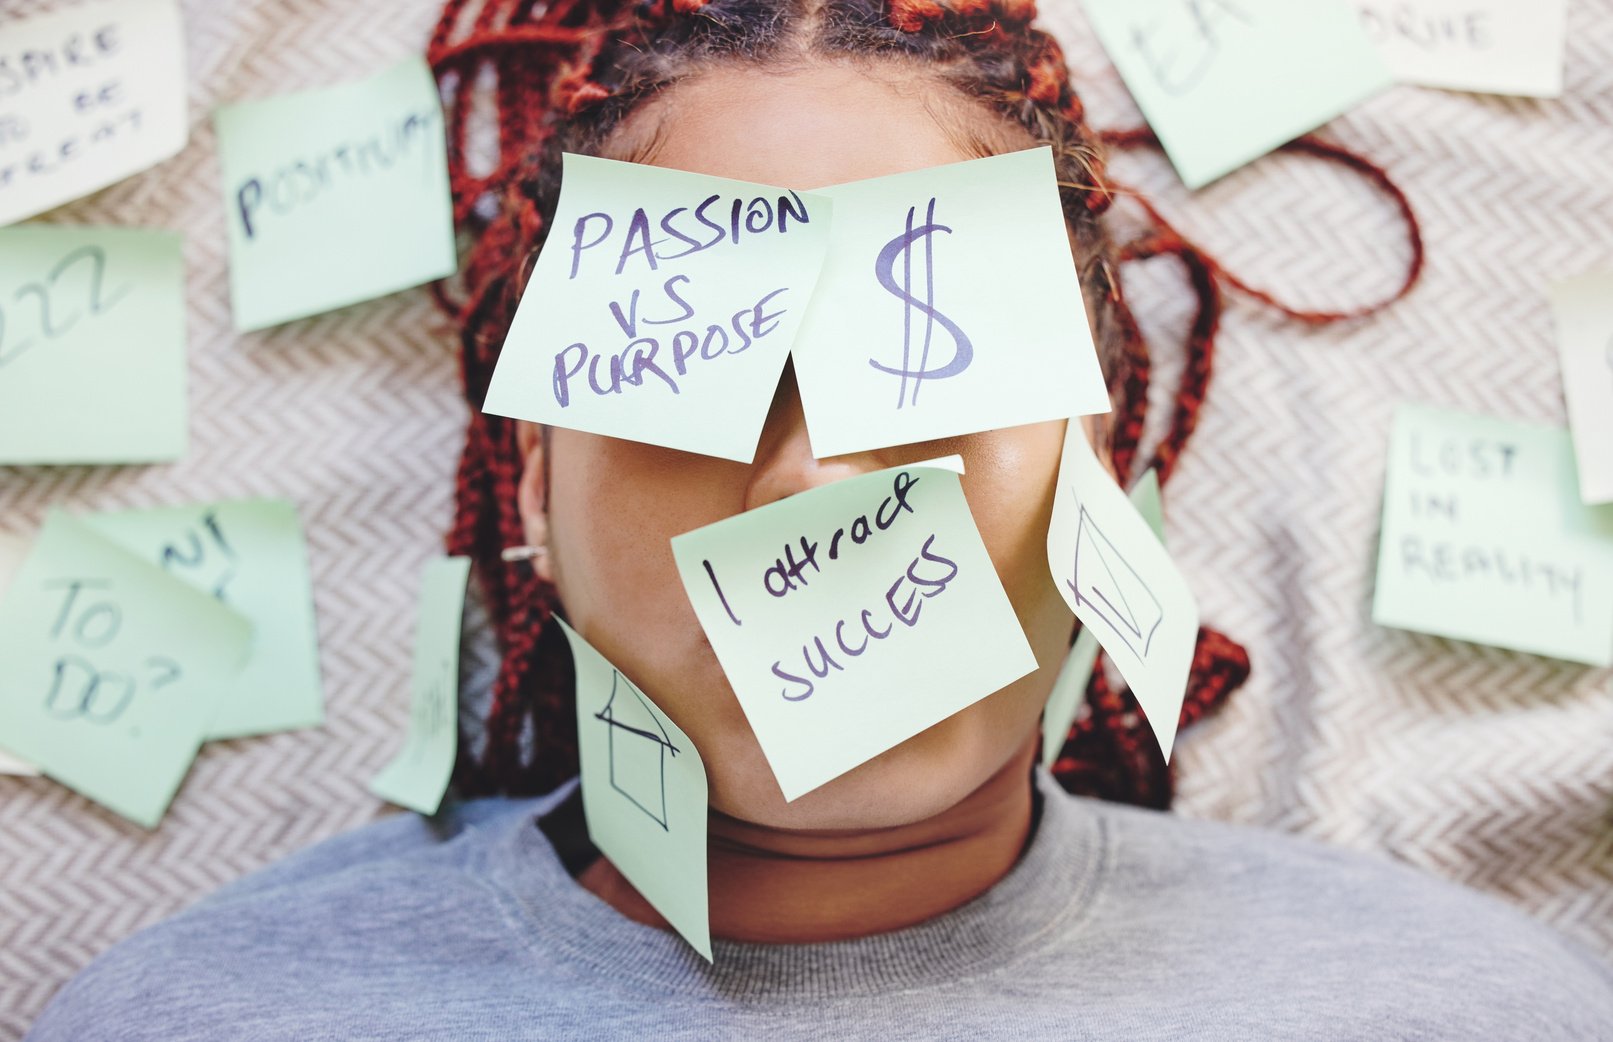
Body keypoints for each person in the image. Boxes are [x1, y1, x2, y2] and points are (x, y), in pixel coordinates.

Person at [26, 0, 1613, 1038]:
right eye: (686, 386)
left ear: (1101, 450)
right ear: (534, 503)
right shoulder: (194, 1016)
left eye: (927, 367)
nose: (809, 487)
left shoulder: (1465, 1008)